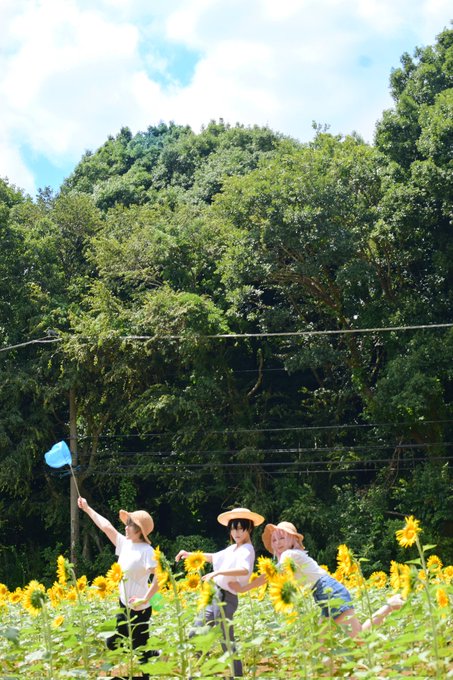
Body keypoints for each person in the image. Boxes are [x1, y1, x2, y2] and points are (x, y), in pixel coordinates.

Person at [230, 521, 403, 639]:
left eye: (282, 538)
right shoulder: (289, 558)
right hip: (322, 594)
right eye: (274, 540)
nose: (277, 543)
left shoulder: (289, 554)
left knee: (359, 638)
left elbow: (270, 575)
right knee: (321, 643)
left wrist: (244, 588)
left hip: (329, 590)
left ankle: (390, 606)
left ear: (293, 539)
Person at [175, 507, 264, 678]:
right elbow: (213, 556)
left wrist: (218, 572)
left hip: (227, 598)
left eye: (241, 528)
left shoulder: (247, 550)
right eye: (233, 529)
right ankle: (201, 670)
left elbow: (244, 569)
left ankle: (236, 675)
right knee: (195, 632)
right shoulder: (233, 548)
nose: (236, 533)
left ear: (250, 529)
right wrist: (190, 554)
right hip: (215, 594)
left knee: (226, 640)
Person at [77, 497, 159, 678]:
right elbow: (106, 527)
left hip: (139, 609)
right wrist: (87, 508)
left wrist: (145, 598)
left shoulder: (147, 552)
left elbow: (160, 578)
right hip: (124, 605)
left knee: (140, 653)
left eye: (130, 525)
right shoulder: (125, 544)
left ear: (139, 531)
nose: (126, 527)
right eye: (127, 524)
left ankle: (147, 659)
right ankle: (147, 654)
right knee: (114, 643)